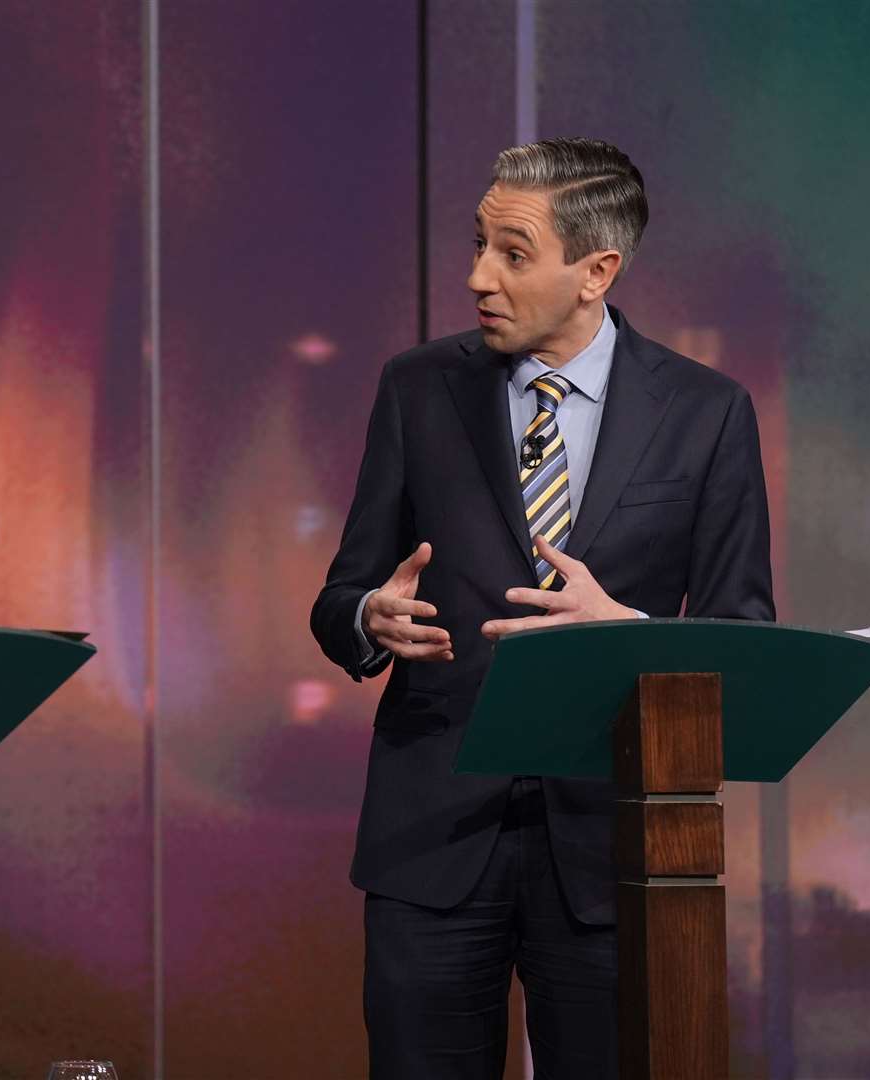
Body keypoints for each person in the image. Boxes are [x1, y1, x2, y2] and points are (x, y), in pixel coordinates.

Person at [310, 137, 773, 1078]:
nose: (479, 276)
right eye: (480, 243)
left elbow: (744, 638)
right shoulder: (418, 388)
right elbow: (340, 595)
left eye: (512, 253)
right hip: (430, 841)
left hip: (613, 852)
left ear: (595, 270)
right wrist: (368, 620)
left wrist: (630, 640)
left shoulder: (707, 412)